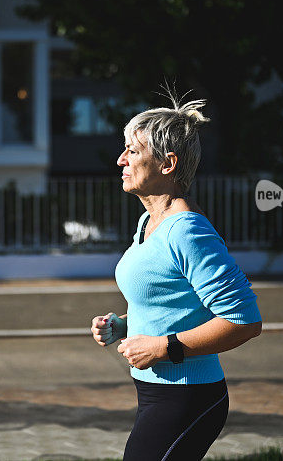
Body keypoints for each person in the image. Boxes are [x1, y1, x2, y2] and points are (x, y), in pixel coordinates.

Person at [90, 93, 262, 461]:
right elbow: (171, 301)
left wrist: (161, 347)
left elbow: (245, 321)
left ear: (168, 163)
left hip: (189, 396)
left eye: (133, 151)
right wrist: (124, 325)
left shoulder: (187, 231)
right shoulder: (148, 223)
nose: (120, 160)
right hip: (155, 392)